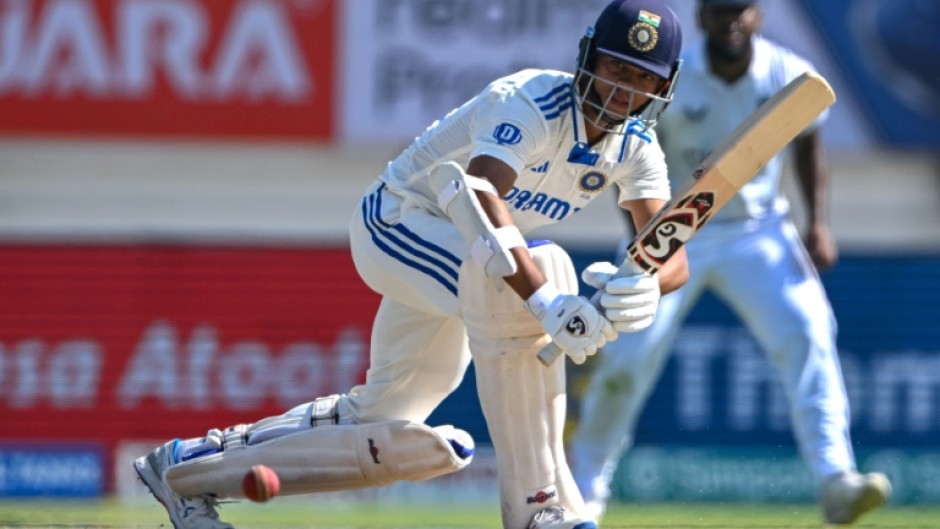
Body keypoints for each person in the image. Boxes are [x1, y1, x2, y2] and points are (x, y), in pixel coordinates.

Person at [133, 1, 690, 528]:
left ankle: (188, 468)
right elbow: (478, 195)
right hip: (398, 223)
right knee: (531, 281)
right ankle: (541, 504)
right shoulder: (531, 101)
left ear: (662, 87)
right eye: (617, 67)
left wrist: (638, 291)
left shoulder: (637, 146)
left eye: (643, 79)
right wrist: (546, 301)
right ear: (589, 57)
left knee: (387, 412)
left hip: (468, 251)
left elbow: (668, 253)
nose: (624, 89)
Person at [569, 0, 892, 525]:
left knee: (809, 333)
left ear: (758, 16)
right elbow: (631, 163)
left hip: (758, 231)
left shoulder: (786, 73)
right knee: (625, 362)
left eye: (742, 9)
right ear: (702, 18)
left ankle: (836, 478)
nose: (732, 19)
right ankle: (583, 494)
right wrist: (646, 248)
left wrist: (817, 223)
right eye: (721, 10)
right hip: (672, 228)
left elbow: (808, 144)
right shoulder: (674, 79)